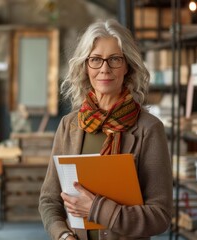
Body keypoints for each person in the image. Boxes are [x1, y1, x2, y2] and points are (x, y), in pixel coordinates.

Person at [38, 19, 173, 240]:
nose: (105, 69)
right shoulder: (69, 125)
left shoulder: (149, 129)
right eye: (95, 60)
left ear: (127, 65)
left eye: (115, 59)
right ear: (85, 65)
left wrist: (97, 209)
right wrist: (63, 235)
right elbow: (49, 200)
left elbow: (160, 216)